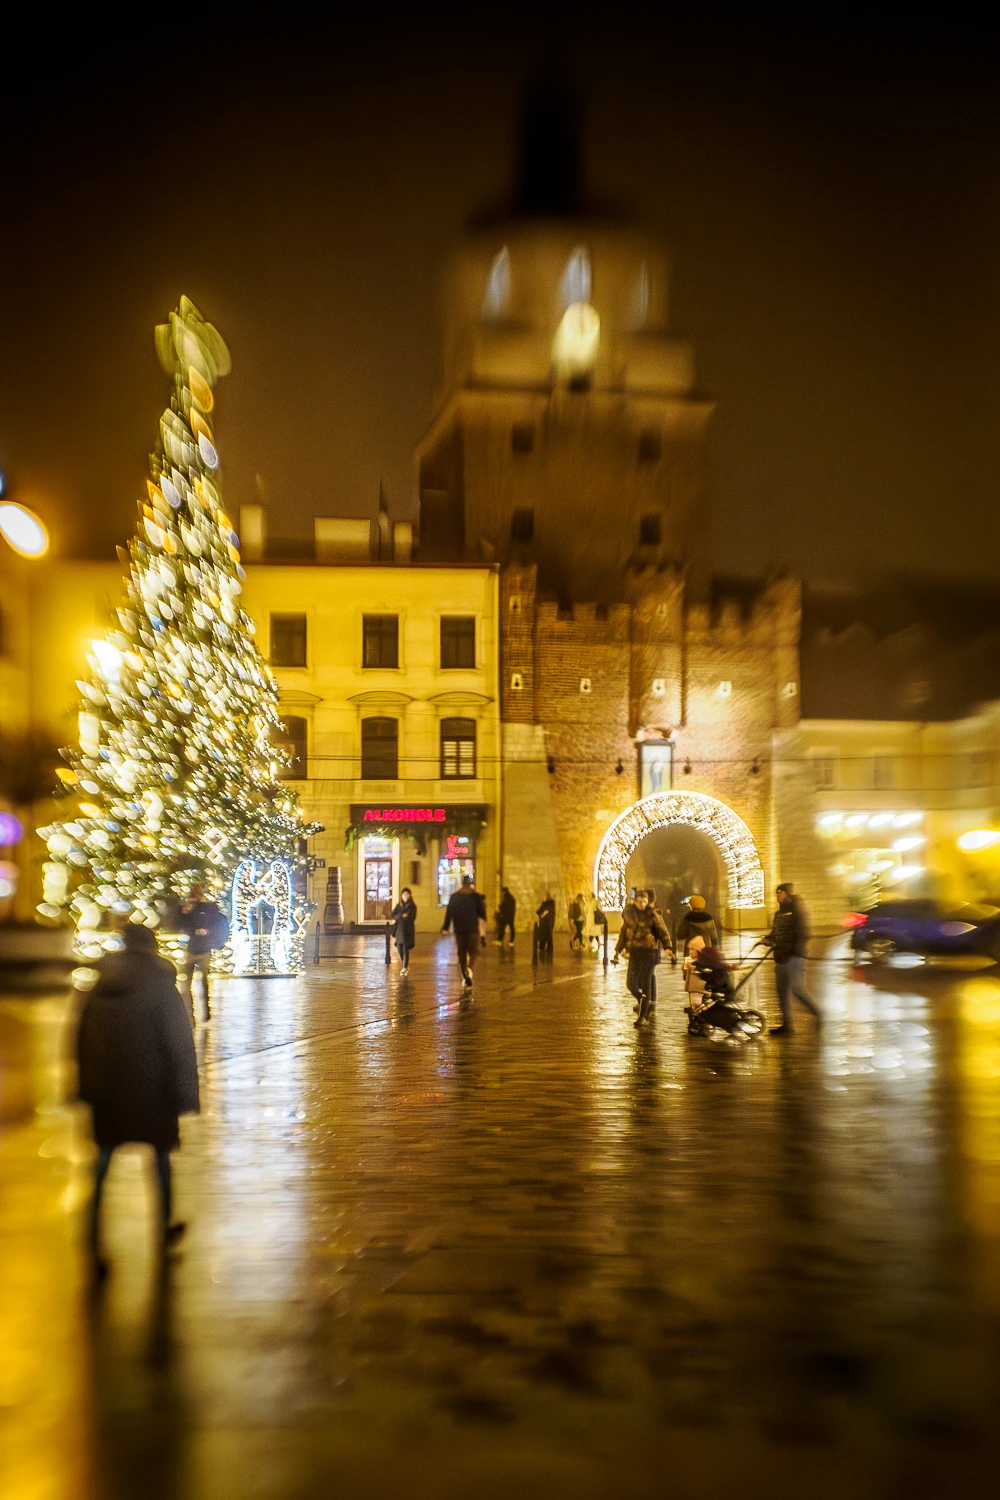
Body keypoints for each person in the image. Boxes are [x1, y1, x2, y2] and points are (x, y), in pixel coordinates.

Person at [76, 923, 199, 1277]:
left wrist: (86, 1089)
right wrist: (185, 1095)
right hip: (153, 1089)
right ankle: (162, 1227)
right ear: (151, 948)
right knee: (159, 1160)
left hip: (108, 1092)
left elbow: (82, 1039)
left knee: (101, 1164)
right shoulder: (162, 985)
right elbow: (179, 1043)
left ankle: (92, 1238)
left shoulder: (100, 984)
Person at [764, 882, 821, 1035]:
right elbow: (777, 932)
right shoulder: (779, 913)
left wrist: (793, 951)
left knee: (797, 988)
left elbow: (803, 933)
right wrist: (768, 939)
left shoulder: (797, 911)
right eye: (777, 893)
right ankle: (786, 1026)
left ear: (788, 894)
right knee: (781, 992)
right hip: (780, 957)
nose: (778, 896)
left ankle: (818, 1012)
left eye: (781, 893)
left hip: (794, 957)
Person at [614, 889, 672, 1026]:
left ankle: (643, 1016)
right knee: (631, 983)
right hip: (635, 952)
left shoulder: (652, 915)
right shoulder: (629, 915)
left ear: (647, 902)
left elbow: (662, 931)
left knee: (646, 982)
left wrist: (668, 947)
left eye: (644, 901)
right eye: (639, 901)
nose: (642, 904)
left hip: (649, 953)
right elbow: (624, 934)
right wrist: (617, 950)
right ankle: (644, 1001)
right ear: (635, 902)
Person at [179, 882, 229, 1022]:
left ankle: (192, 1011)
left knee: (189, 982)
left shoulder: (198, 909)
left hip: (195, 950)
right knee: (200, 982)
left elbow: (183, 927)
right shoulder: (204, 909)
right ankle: (201, 1010)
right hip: (201, 949)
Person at [442, 874, 487, 988]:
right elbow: (482, 913)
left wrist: (446, 927)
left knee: (461, 953)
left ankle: (465, 974)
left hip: (460, 929)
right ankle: (470, 969)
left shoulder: (454, 897)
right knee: (472, 951)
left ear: (462, 883)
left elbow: (449, 913)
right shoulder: (476, 897)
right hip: (472, 929)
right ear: (470, 883)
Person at [389, 888, 417, 975]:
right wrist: (401, 916)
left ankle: (405, 967)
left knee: (405, 948)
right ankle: (404, 965)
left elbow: (411, 917)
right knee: (399, 948)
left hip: (407, 930)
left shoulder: (412, 906)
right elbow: (393, 914)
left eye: (407, 894)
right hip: (399, 929)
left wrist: (401, 916)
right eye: (404, 894)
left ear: (410, 895)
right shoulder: (399, 905)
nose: (405, 896)